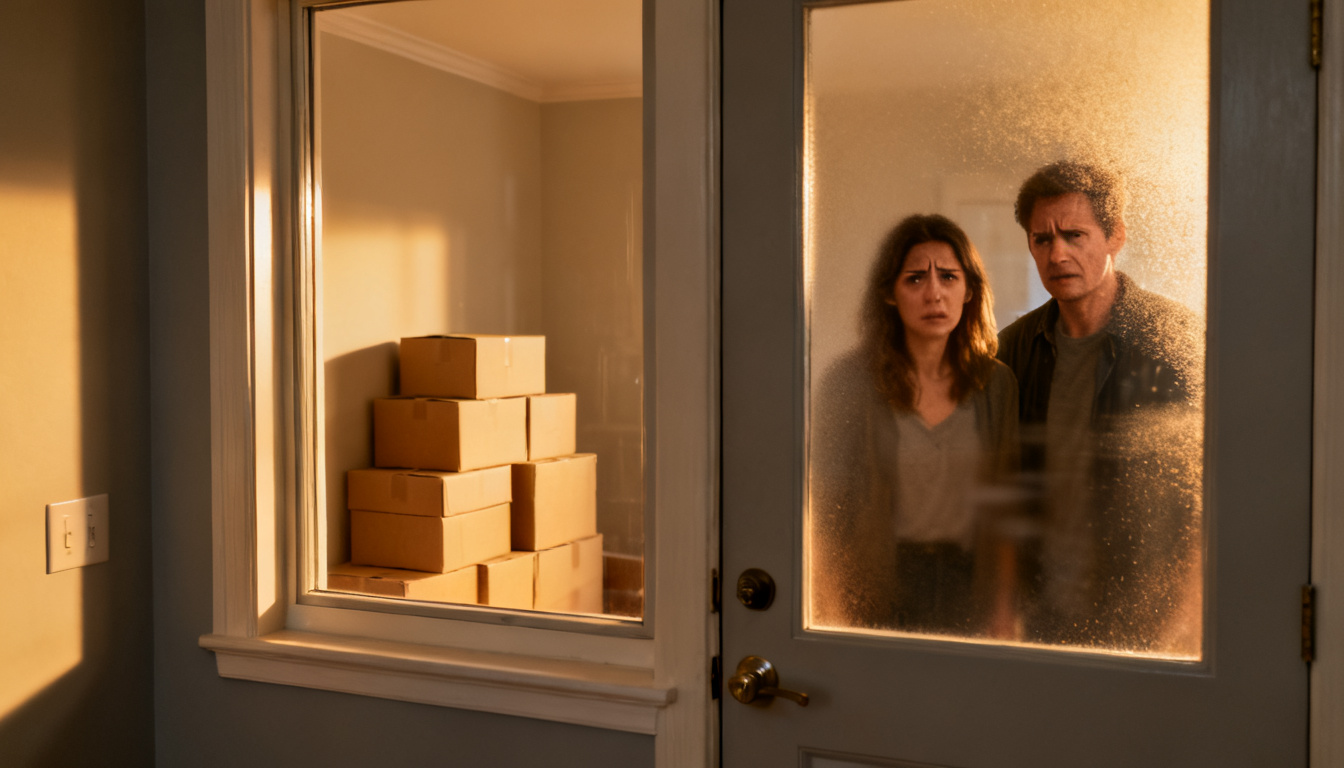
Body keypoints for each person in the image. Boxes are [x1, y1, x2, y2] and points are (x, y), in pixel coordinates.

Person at [997, 161, 1202, 652]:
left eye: (1074, 234)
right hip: (1039, 618)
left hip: (1144, 623)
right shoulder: (1012, 349)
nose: (1058, 253)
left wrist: (1175, 631)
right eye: (1042, 239)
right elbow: (996, 494)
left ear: (1115, 237)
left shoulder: (1175, 342)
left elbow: (1209, 502)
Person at [812, 214, 1019, 637]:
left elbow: (1005, 512)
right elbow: (824, 518)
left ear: (969, 291)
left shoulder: (996, 384)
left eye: (948, 277)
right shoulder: (849, 383)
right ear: (889, 292)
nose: (934, 294)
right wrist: (831, 612)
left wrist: (1003, 613)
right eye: (915, 279)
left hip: (969, 591)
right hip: (879, 589)